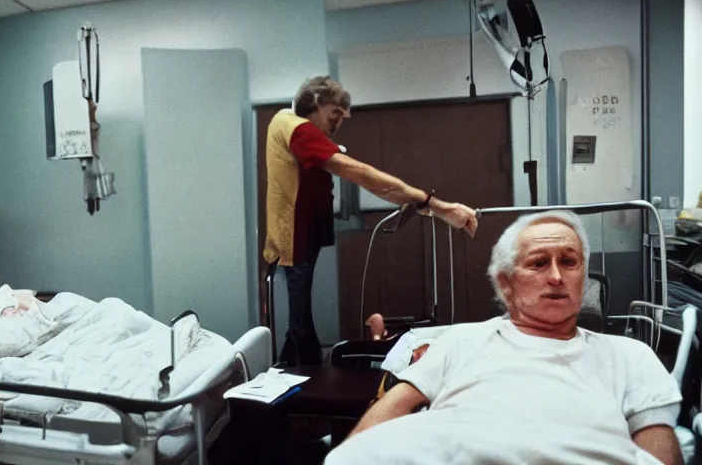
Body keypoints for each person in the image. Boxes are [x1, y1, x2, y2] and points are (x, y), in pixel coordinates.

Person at [324, 210, 684, 465]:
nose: (557, 276)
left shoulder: (629, 355)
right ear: (506, 283)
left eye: (569, 262)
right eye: (539, 263)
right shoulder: (459, 342)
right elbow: (374, 432)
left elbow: (659, 455)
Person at [262, 76, 480, 367]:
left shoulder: (288, 124)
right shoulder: (298, 129)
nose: (338, 122)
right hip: (294, 237)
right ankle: (307, 386)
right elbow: (362, 174)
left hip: (300, 234)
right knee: (301, 324)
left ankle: (291, 372)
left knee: (299, 320)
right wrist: (435, 205)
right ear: (316, 103)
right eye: (335, 114)